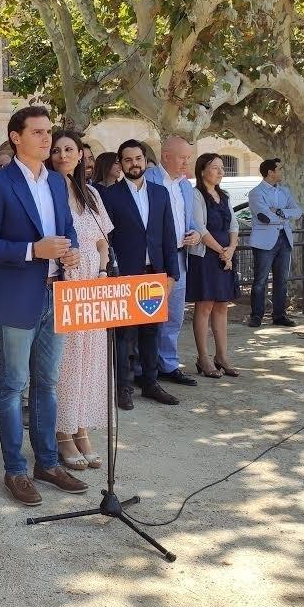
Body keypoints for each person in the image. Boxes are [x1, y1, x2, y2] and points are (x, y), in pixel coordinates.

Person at [0, 106, 87, 507]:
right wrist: (31, 250)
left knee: (47, 383)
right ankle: (15, 470)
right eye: (37, 132)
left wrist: (69, 250)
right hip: (18, 296)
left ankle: (48, 464)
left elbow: (66, 229)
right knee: (13, 385)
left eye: (48, 132)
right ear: (15, 137)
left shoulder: (57, 182)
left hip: (56, 292)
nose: (46, 139)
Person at [47, 130, 112, 469]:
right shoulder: (46, 191)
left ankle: (82, 428)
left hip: (93, 287)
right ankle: (62, 433)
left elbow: (103, 242)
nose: (62, 155)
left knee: (91, 362)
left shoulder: (92, 196)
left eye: (68, 149)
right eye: (56, 150)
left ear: (81, 155)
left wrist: (102, 273)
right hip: (65, 285)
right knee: (67, 365)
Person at [101, 139, 181, 410]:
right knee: (124, 335)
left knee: (152, 331)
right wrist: (110, 273)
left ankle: (150, 383)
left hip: (154, 273)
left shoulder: (160, 193)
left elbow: (168, 236)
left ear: (145, 160)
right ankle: (123, 387)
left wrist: (172, 274)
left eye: (138, 158)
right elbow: (107, 239)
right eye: (127, 160)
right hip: (125, 274)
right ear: (120, 164)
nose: (134, 164)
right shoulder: (110, 196)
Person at [145, 136, 200, 387]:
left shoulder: (185, 187)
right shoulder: (148, 180)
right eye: (182, 158)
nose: (186, 163)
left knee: (174, 316)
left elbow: (190, 222)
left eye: (188, 158)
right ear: (166, 156)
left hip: (179, 257)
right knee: (147, 316)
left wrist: (196, 234)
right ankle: (144, 368)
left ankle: (168, 364)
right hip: (153, 261)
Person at [187, 153, 240, 377]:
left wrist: (230, 251)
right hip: (206, 257)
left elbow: (234, 226)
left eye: (222, 167)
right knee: (205, 306)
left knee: (221, 306)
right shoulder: (196, 195)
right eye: (215, 167)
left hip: (224, 256)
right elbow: (200, 228)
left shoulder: (224, 196)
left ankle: (222, 356)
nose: (221, 171)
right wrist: (221, 252)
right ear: (202, 171)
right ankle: (203, 359)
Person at [248, 157, 302, 328]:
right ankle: (256, 316)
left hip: (284, 240)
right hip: (264, 242)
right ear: (270, 172)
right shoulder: (256, 193)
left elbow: (298, 211)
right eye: (279, 169)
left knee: (282, 280)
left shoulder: (285, 191)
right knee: (260, 280)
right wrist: (284, 217)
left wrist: (279, 211)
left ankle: (279, 315)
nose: (281, 172)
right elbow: (264, 217)